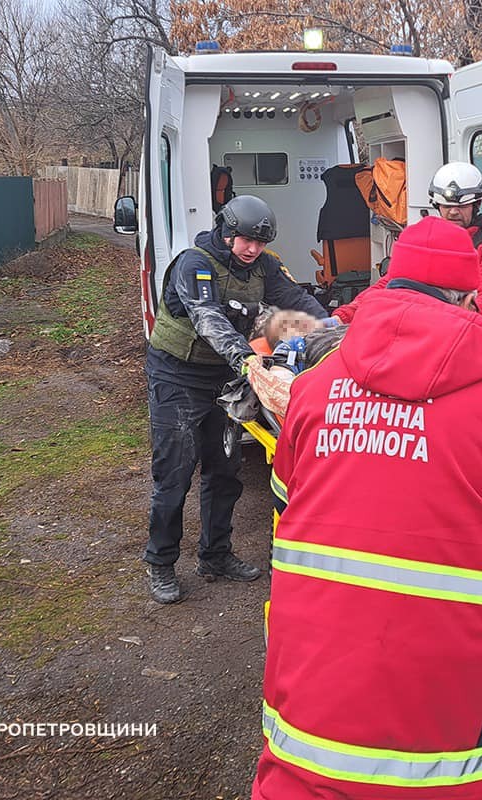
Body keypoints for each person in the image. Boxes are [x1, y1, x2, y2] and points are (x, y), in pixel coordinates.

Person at [253, 216, 482, 800]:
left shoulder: (314, 387)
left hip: (307, 714)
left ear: (388, 284)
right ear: (467, 296)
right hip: (439, 734)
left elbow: (288, 502)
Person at [143, 194, 327, 604]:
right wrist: (246, 359)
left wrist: (332, 330)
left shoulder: (263, 265)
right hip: (178, 376)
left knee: (224, 471)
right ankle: (161, 563)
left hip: (224, 377)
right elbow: (207, 319)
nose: (253, 250)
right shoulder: (194, 263)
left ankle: (216, 555)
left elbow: (297, 301)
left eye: (259, 243)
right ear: (226, 232)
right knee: (174, 474)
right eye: (246, 241)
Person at [332, 161, 482, 321]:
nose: (453, 212)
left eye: (461, 206)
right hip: (421, 328)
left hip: (465, 334)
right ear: (437, 205)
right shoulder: (426, 243)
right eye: (447, 205)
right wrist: (345, 315)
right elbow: (389, 284)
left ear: (477, 204)